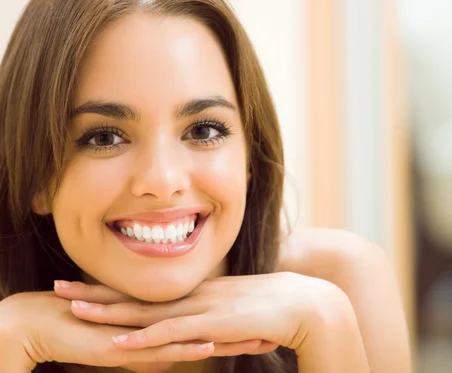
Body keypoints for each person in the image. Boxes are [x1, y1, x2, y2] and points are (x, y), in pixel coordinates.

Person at [0, 1, 411, 372]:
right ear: (36, 176)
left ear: (249, 157)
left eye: (203, 129)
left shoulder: (339, 284)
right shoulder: (7, 329)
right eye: (104, 138)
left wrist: (327, 328)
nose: (163, 182)